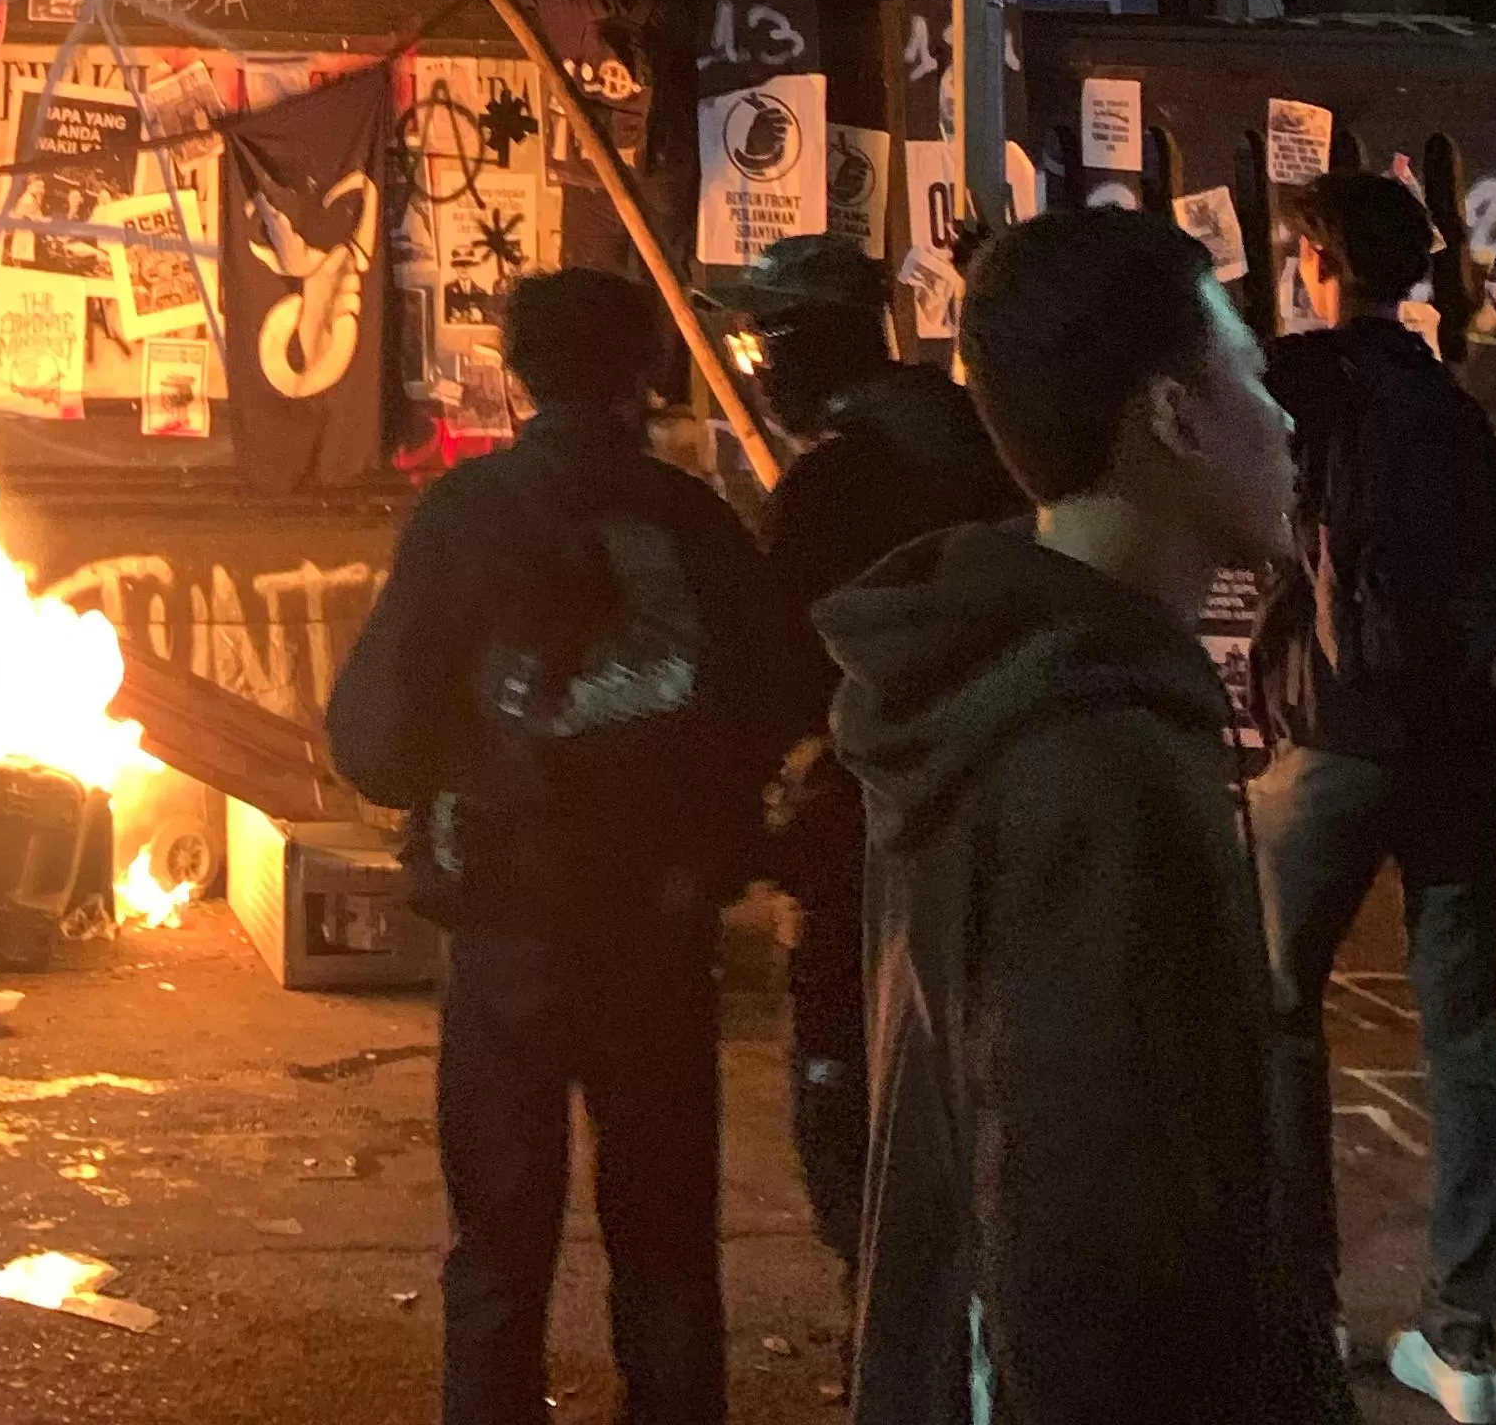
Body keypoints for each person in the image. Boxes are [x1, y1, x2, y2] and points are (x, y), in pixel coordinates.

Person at [821, 205, 1327, 1425]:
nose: (1288, 418)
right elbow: (1083, 1245)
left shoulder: (988, 686)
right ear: (1174, 416)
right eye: (1253, 374)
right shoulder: (1092, 757)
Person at [329, 264, 809, 1425]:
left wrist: (455, 779)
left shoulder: (465, 515)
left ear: (515, 372)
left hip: (508, 930)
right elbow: (781, 693)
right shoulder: (691, 521)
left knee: (496, 1249)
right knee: (668, 1249)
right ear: (645, 373)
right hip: (657, 926)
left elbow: (372, 737)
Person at [1251, 172, 1496, 1425]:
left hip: (1336, 742)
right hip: (1459, 754)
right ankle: (1466, 1345)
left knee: (1271, 1018)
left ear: (1321, 262)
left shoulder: (1301, 381)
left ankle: (1296, 1309)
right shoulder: (1454, 405)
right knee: (1463, 1036)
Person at [742, 238, 1020, 1272]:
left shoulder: (838, 484)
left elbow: (768, 671)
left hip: (869, 827)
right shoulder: (981, 445)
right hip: (997, 817)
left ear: (800, 344)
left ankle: (890, 1330)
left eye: (762, 341)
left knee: (848, 1083)